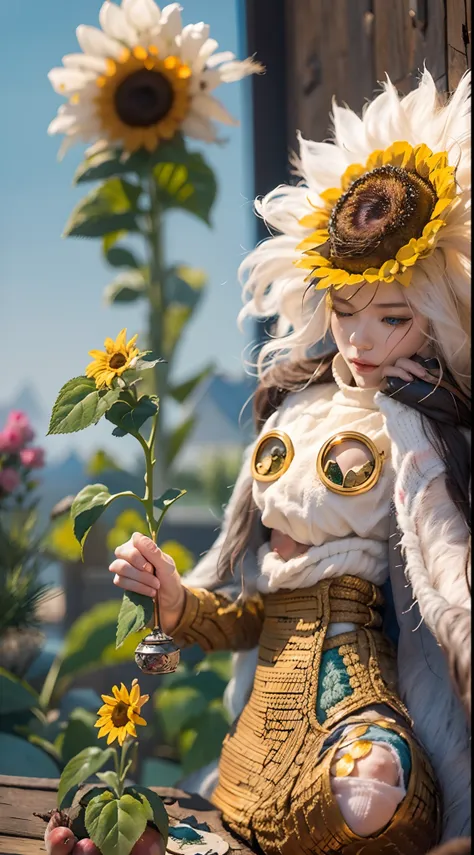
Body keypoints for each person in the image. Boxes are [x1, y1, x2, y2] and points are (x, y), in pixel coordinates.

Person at [108, 69, 471, 854]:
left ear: (440, 313)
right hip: (257, 719)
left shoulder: (423, 428)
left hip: (360, 676)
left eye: (394, 317)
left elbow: (442, 569)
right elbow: (248, 611)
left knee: (373, 793)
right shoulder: (297, 403)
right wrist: (176, 600)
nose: (361, 341)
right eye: (344, 312)